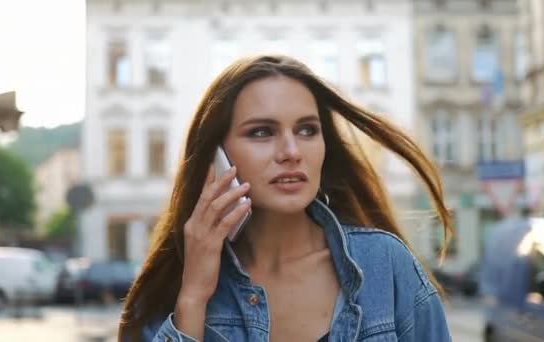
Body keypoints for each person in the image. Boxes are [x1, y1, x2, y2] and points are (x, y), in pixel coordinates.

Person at [119, 55, 453, 341]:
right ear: (215, 158)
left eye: (307, 130)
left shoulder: (386, 265)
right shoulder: (169, 291)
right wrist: (192, 299)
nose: (292, 152)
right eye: (262, 132)